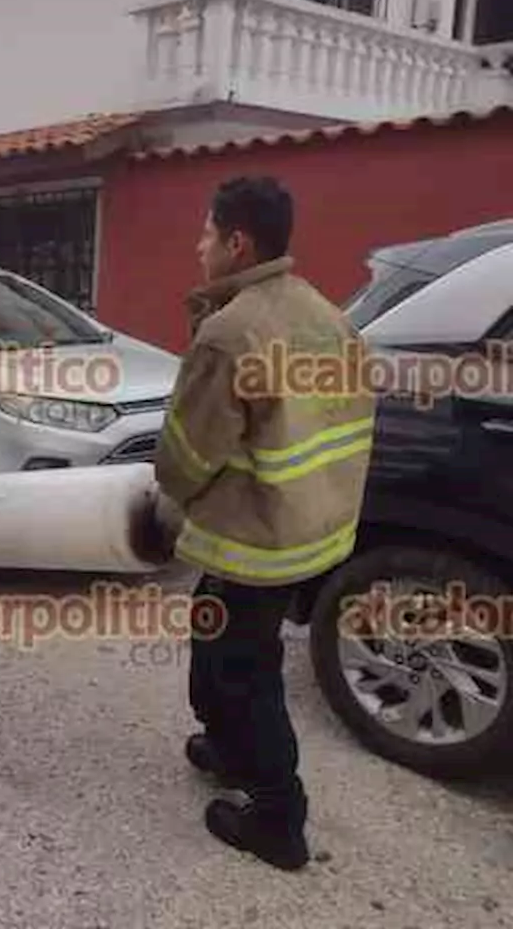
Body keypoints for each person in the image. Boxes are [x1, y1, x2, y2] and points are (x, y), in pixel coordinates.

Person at [152, 176, 375, 871]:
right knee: (220, 643)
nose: (199, 246)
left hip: (254, 542)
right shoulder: (326, 314)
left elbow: (188, 455)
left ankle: (279, 816)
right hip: (314, 530)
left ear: (237, 242)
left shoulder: (232, 331)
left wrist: (165, 494)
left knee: (243, 670)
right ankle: (227, 748)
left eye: (206, 233)